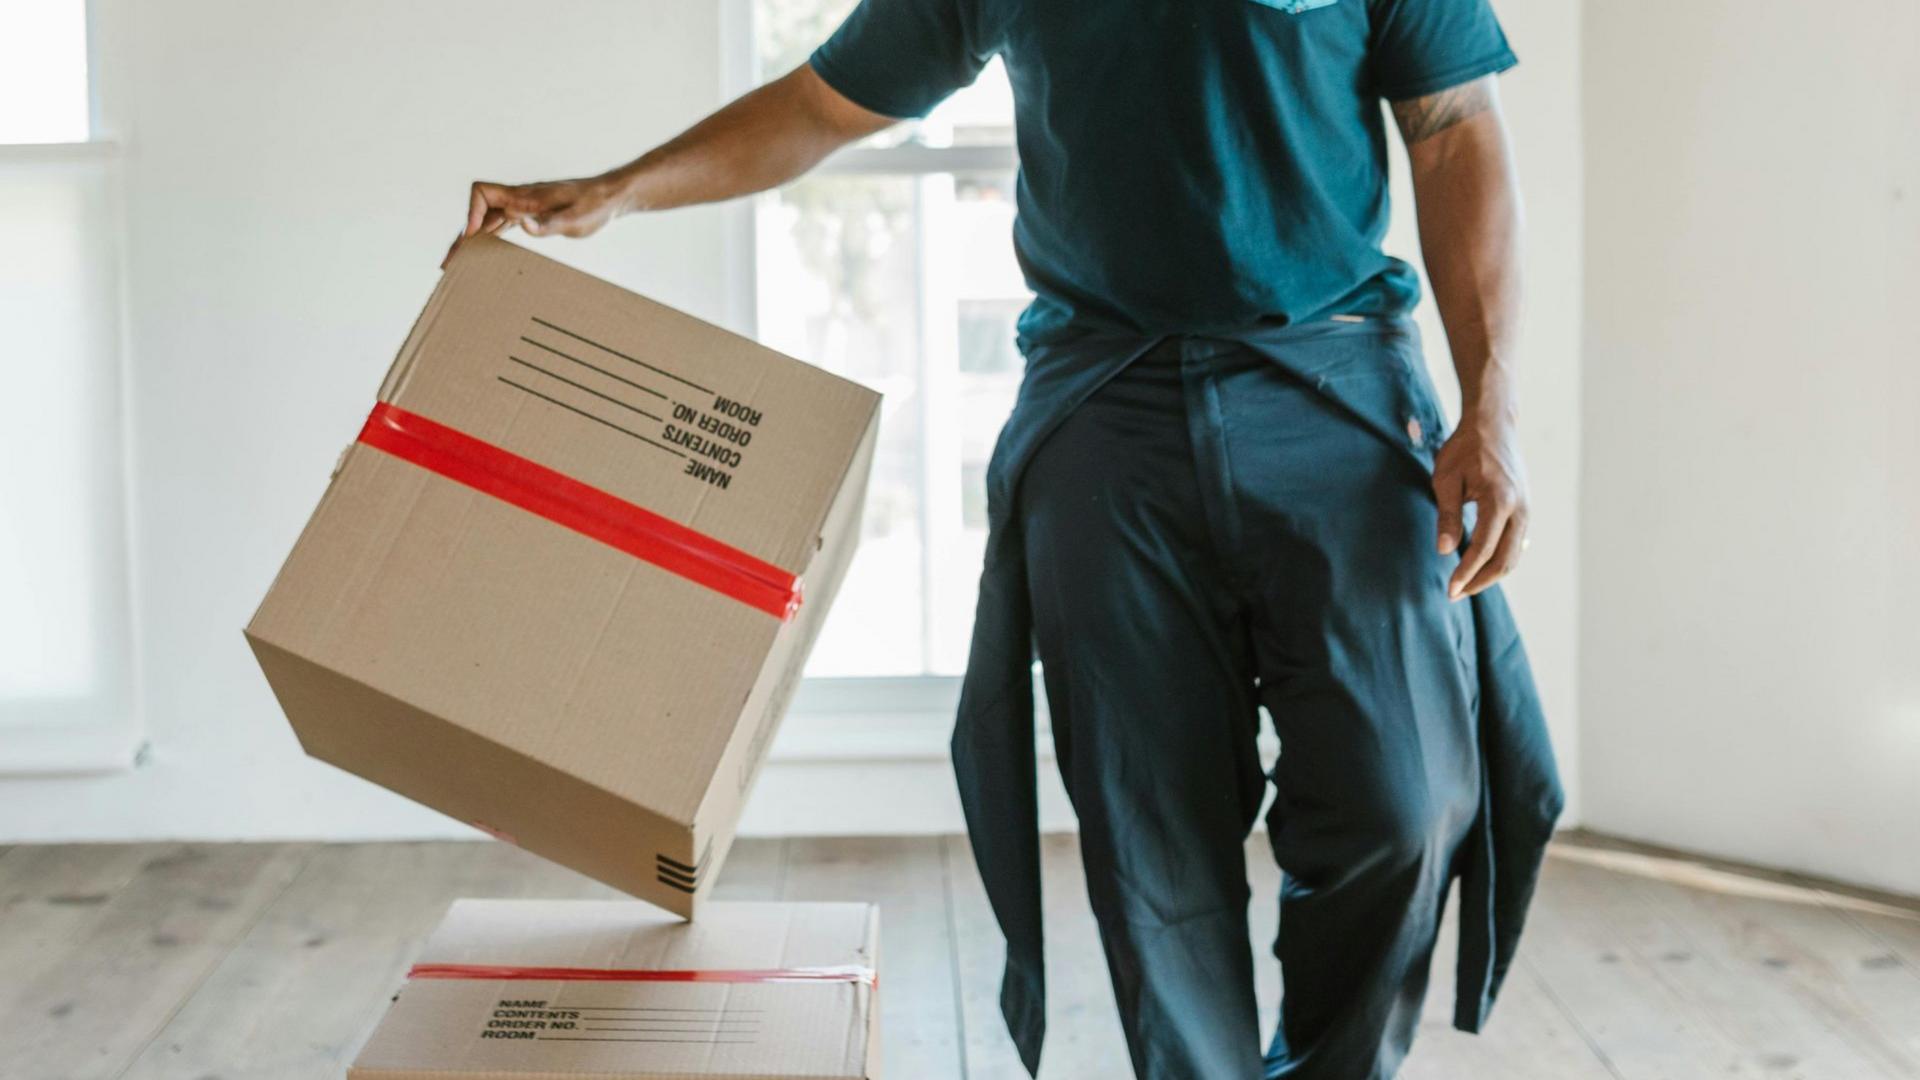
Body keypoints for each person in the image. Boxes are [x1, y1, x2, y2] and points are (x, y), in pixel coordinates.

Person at [450, 0, 1565, 1076]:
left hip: (1333, 387)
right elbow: (825, 103)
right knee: (1149, 839)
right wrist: (623, 190)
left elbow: (1453, 123)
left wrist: (1491, 405)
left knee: (1407, 798)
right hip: (1106, 412)